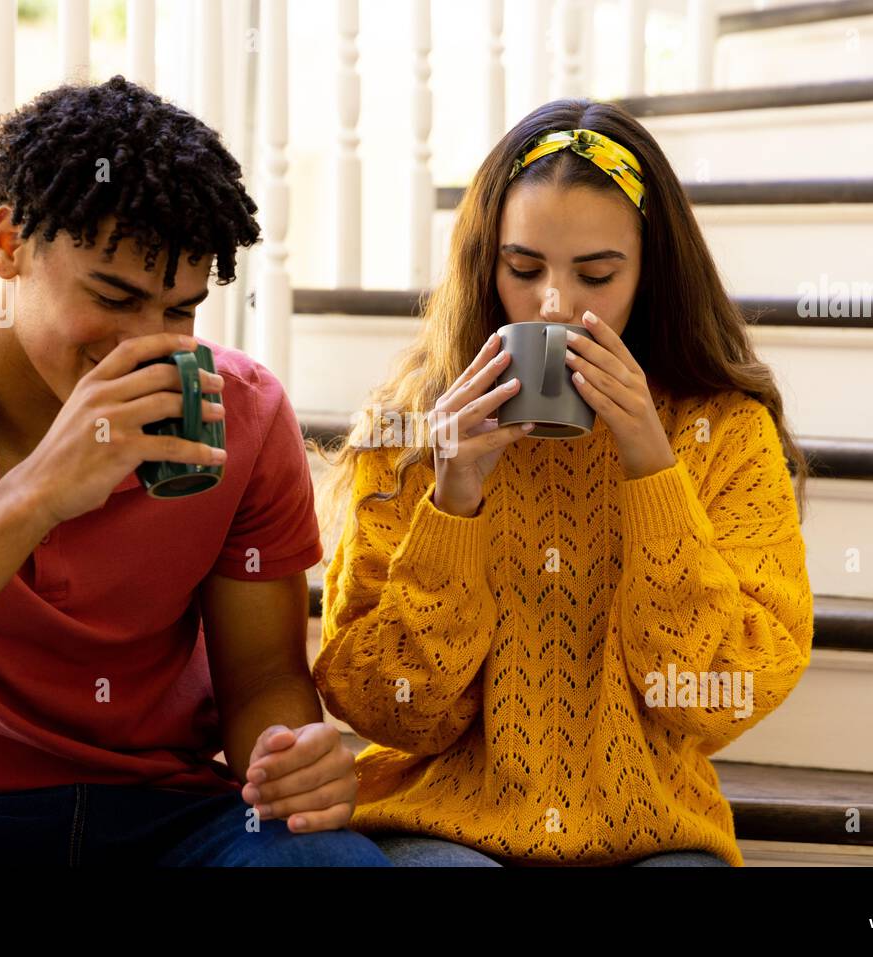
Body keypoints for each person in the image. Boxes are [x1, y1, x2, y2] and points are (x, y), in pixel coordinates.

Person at [0, 76, 388, 867]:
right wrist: (37, 492)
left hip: (171, 824)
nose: (145, 342)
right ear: (7, 242)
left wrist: (293, 756)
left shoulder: (245, 414)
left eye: (179, 310)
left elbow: (261, 678)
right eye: (114, 295)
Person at [309, 98, 816, 867]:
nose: (554, 303)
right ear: (488, 267)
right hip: (443, 824)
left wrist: (653, 468)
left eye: (596, 273)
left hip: (653, 830)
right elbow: (388, 708)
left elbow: (716, 697)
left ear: (651, 273)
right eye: (524, 269)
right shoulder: (413, 430)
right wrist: (452, 504)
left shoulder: (726, 432)